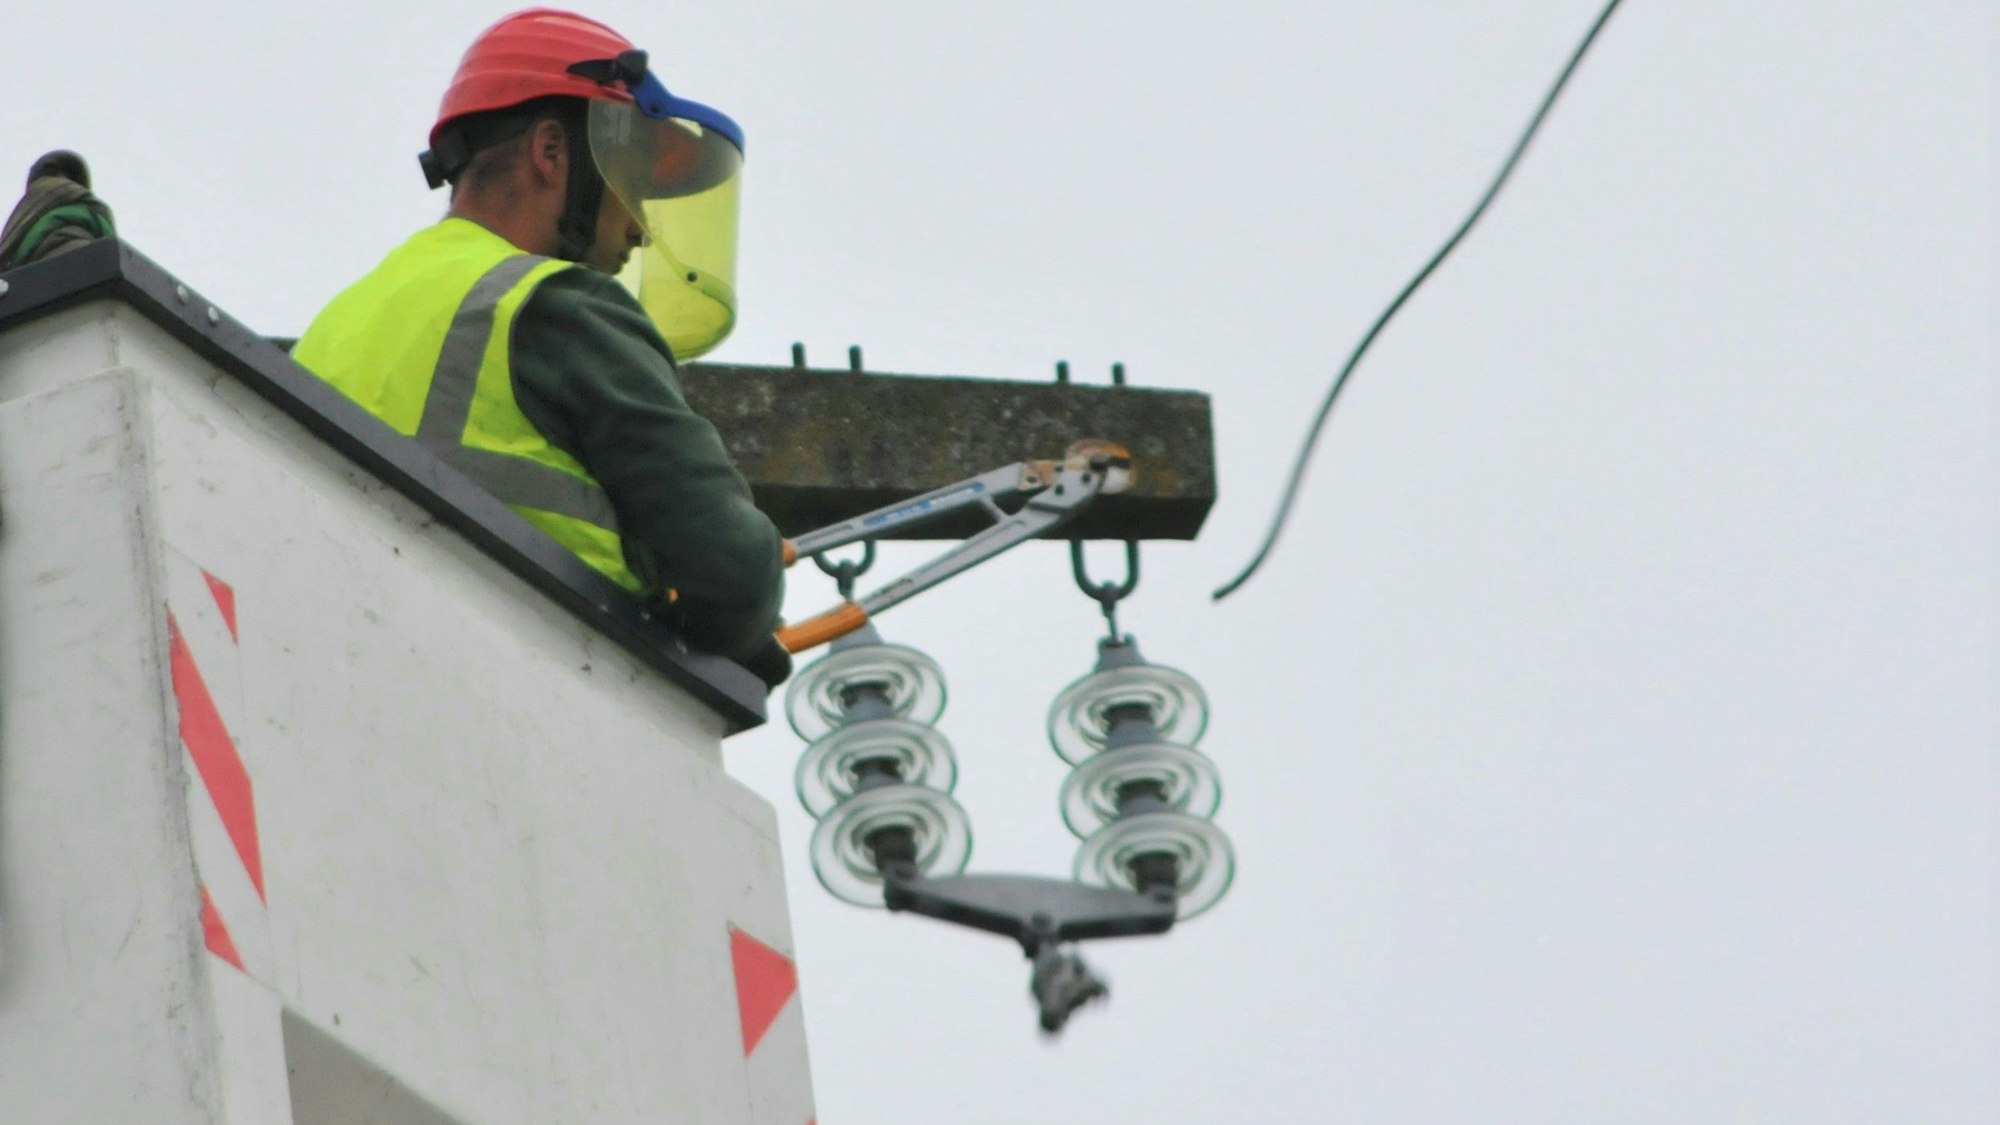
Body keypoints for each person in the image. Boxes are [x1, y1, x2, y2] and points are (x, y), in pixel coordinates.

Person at [293, 8, 787, 683]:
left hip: (340, 673)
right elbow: (732, 575)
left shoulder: (337, 323)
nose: (642, 230)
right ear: (552, 153)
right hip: (526, 691)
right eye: (631, 182)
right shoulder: (558, 304)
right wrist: (737, 625)